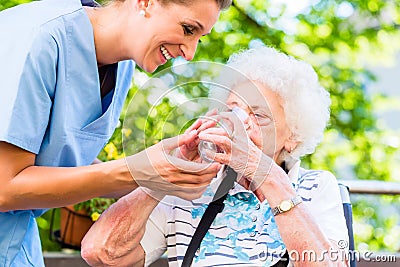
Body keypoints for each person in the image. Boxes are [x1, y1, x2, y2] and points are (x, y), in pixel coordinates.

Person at [0, 0, 232, 265]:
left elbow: (62, 164)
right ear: (146, 3)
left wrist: (165, 176)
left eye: (199, 40)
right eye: (188, 29)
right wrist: (137, 170)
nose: (190, 53)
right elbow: (4, 188)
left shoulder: (122, 67)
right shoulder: (37, 37)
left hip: (16, 245)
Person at [81, 46, 349, 267]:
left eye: (258, 115)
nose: (239, 123)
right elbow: (100, 253)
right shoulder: (189, 190)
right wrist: (166, 174)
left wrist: (265, 174)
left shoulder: (315, 188)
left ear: (293, 137)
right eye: (231, 109)